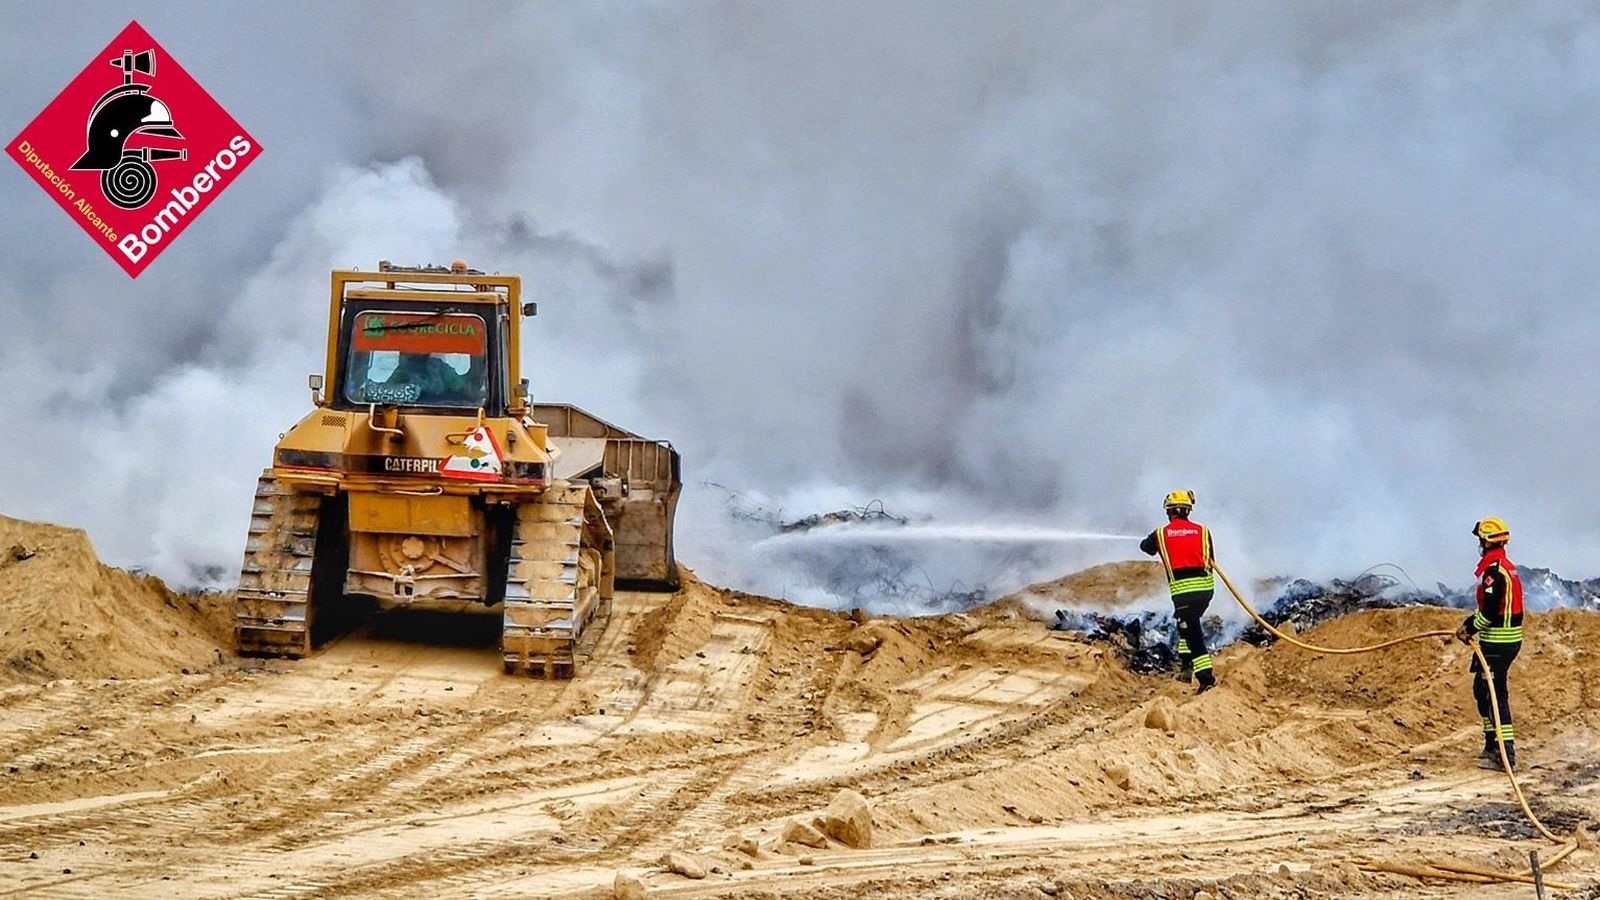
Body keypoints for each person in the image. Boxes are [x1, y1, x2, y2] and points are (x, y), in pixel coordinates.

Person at [1456, 516, 1524, 770]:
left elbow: (1491, 612)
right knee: (1481, 691)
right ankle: (1490, 744)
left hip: (1498, 644)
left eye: (1480, 540)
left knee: (1495, 695)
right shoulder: (1505, 567)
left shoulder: (1494, 572)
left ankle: (1504, 753)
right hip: (1502, 641)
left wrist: (1469, 628)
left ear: (1486, 541)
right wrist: (1469, 623)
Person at [1140, 490, 1217, 693]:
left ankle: (1206, 678)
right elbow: (1211, 560)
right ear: (1188, 511)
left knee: (1193, 634)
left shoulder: (1160, 534)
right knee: (1185, 625)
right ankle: (1185, 667)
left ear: (1169, 512)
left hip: (1184, 594)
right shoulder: (1203, 531)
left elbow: (1145, 548)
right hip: (1206, 592)